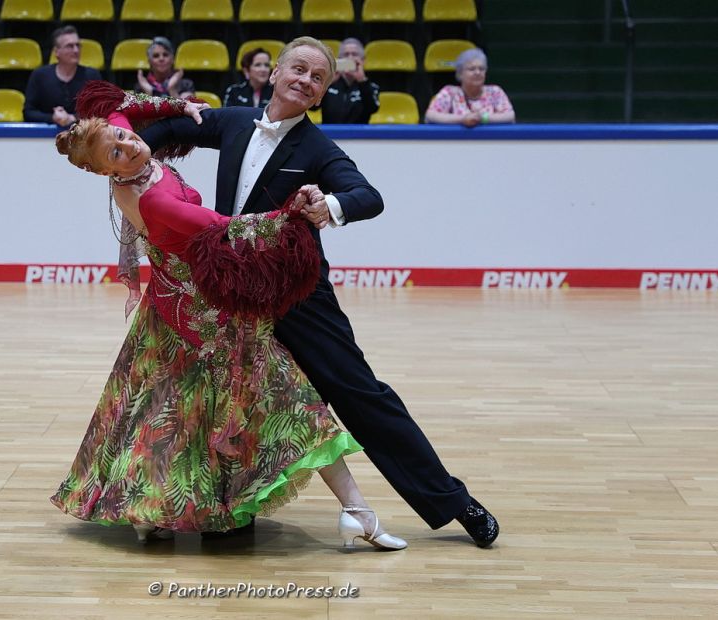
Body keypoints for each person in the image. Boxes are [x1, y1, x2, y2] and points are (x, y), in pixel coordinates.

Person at [140, 37, 500, 547]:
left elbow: (367, 196)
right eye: (299, 69)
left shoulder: (317, 148)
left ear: (320, 95)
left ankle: (452, 500)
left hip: (296, 295)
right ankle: (228, 511)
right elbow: (161, 131)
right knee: (226, 399)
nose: (305, 80)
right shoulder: (234, 122)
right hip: (232, 292)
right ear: (275, 72)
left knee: (359, 394)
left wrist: (327, 205)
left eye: (317, 78)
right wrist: (129, 139)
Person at [49, 81, 406, 551]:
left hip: (168, 306)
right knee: (283, 401)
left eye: (125, 138)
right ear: (103, 172)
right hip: (204, 315)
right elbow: (228, 230)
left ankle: (149, 512)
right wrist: (291, 214)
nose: (130, 144)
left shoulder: (116, 137)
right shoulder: (153, 201)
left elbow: (119, 108)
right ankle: (356, 512)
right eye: (116, 152)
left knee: (166, 411)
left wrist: (176, 105)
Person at [23, 25, 102, 126]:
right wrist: (52, 118)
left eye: (78, 45)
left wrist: (72, 118)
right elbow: (28, 112)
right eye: (70, 46)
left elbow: (100, 110)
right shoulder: (39, 75)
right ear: (56, 52)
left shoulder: (92, 76)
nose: (76, 50)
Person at [425, 48, 515, 126]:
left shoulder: (495, 92)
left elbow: (510, 115)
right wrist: (463, 119)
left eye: (481, 69)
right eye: (472, 69)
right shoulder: (449, 92)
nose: (477, 72)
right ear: (460, 74)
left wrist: (482, 118)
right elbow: (431, 115)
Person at [319, 38, 380, 124]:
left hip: (359, 135)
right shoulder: (329, 84)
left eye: (354, 54)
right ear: (339, 59)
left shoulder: (371, 87)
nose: (350, 58)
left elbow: (373, 108)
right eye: (346, 54)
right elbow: (313, 107)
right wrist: (327, 83)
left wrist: (362, 81)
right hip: (329, 134)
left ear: (363, 60)